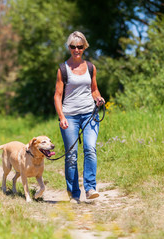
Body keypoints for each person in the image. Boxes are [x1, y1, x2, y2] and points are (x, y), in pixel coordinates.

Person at [54, 31, 105, 203]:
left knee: (90, 148)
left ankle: (90, 189)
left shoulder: (91, 67)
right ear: (69, 48)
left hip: (89, 114)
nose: (76, 49)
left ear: (84, 47)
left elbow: (94, 89)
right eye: (73, 46)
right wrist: (61, 116)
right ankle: (74, 193)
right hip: (70, 115)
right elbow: (57, 95)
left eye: (80, 47)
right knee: (71, 155)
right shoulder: (63, 69)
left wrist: (98, 98)